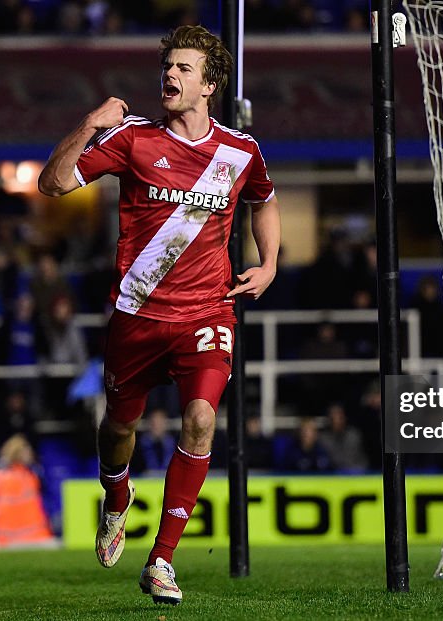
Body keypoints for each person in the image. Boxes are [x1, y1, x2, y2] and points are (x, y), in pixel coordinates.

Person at [38, 24, 281, 605]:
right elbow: (51, 184)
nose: (169, 76)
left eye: (184, 69)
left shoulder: (240, 152)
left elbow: (263, 200)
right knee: (118, 426)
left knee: (201, 419)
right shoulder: (131, 140)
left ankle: (162, 560)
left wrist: (270, 262)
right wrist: (92, 125)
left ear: (210, 86)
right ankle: (116, 495)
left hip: (207, 312)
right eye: (167, 66)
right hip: (138, 316)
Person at [0, 434, 53, 547]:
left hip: (10, 535)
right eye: (26, 452)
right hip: (29, 536)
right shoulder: (24, 476)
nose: (30, 455)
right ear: (17, 454)